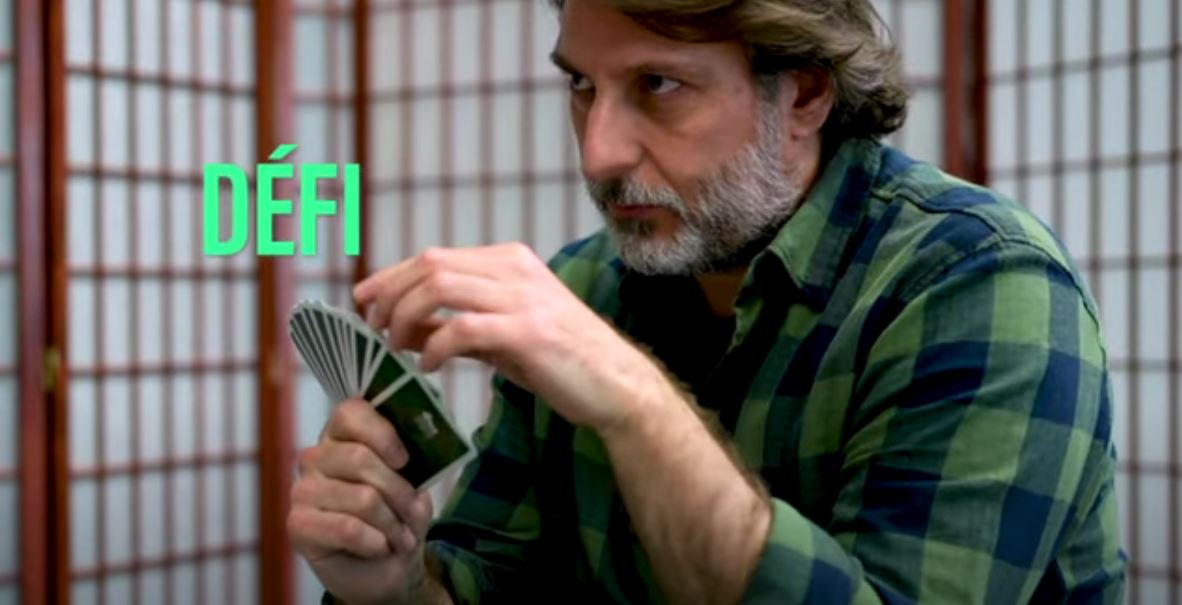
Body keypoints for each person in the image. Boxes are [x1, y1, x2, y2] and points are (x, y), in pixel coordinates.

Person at [287, 0, 1127, 602]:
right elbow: (489, 579)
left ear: (804, 94)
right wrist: (393, 582)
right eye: (581, 85)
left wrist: (631, 395)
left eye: (657, 83)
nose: (599, 152)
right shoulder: (586, 288)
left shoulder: (978, 282)